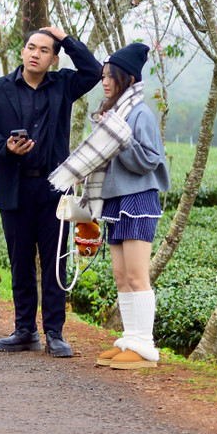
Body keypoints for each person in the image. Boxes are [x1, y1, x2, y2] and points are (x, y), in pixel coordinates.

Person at [0, 25, 102, 357]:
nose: (35, 53)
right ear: (22, 52)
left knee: (55, 261)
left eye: (44, 50)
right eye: (31, 47)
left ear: (54, 58)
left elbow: (94, 71)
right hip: (14, 186)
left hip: (54, 188)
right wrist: (4, 147)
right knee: (21, 261)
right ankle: (25, 329)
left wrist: (66, 38)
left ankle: (55, 333)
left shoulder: (62, 85)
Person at [49, 43, 169, 369]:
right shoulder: (115, 115)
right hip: (116, 201)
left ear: (127, 79)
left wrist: (120, 139)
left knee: (136, 274)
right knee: (120, 275)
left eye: (110, 76)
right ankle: (131, 338)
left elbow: (150, 159)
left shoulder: (140, 113)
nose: (105, 82)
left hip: (138, 200)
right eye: (102, 76)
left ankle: (145, 346)